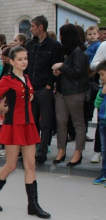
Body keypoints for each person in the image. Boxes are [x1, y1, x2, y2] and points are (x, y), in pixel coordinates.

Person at [0, 46, 50, 219]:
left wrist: (30, 96)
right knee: (11, 165)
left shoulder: (26, 77)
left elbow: (25, 96)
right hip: (13, 126)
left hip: (28, 125)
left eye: (25, 58)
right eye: (20, 59)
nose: (24, 61)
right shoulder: (7, 79)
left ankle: (33, 205)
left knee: (30, 165)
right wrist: (4, 109)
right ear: (12, 61)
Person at [25, 15, 63, 164]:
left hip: (44, 89)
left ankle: (42, 152)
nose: (31, 29)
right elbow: (26, 66)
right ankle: (31, 151)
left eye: (33, 26)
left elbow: (55, 66)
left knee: (46, 122)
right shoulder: (29, 45)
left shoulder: (54, 46)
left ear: (40, 27)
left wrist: (49, 84)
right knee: (31, 121)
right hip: (31, 88)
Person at [51, 23, 89, 167]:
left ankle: (78, 152)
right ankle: (61, 150)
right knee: (61, 122)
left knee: (78, 123)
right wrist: (58, 72)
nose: (59, 37)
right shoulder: (65, 51)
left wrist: (62, 67)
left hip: (75, 92)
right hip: (61, 91)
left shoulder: (78, 52)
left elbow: (78, 72)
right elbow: (68, 71)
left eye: (61, 34)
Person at [92, 61, 106, 186]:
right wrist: (102, 93)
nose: (101, 78)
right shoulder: (102, 88)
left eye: (102, 74)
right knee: (104, 150)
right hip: (103, 123)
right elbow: (97, 104)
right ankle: (104, 174)